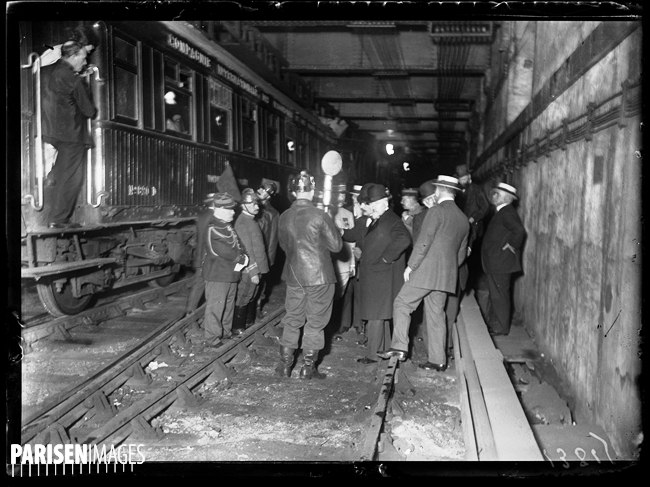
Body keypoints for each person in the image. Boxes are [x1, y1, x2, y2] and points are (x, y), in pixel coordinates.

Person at [379, 176, 470, 372]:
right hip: (446, 276)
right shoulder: (463, 219)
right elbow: (461, 254)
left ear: (439, 191)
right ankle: (438, 360)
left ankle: (399, 347)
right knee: (436, 315)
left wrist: (411, 266)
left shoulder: (436, 211)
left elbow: (423, 241)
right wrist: (447, 268)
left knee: (402, 303)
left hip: (426, 271)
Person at [275, 170, 343, 380]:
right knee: (315, 322)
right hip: (320, 278)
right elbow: (337, 246)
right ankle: (307, 368)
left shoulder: (284, 216)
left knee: (293, 319)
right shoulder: (319, 215)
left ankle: (285, 366)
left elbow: (283, 246)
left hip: (295, 276)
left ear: (294, 192)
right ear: (312, 190)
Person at [344, 184, 411, 364]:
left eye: (372, 204)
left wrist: (385, 259)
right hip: (375, 274)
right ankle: (384, 348)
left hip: (381, 275)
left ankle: (372, 355)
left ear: (383, 202)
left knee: (375, 315)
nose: (369, 208)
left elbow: (404, 239)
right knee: (379, 315)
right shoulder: (379, 219)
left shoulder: (391, 220)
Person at [41, 40, 97, 229]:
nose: (85, 61)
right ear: (73, 56)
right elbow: (89, 111)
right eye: (83, 57)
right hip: (72, 134)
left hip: (54, 131)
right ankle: (58, 218)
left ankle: (51, 177)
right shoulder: (73, 78)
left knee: (63, 169)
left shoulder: (53, 70)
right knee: (73, 177)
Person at [201, 193, 249, 346]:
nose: (233, 213)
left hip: (231, 274)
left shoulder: (227, 226)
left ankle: (226, 332)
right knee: (216, 307)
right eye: (230, 210)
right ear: (220, 209)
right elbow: (221, 251)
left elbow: (239, 244)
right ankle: (212, 338)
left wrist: (245, 255)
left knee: (228, 305)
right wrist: (241, 259)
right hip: (218, 274)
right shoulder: (213, 228)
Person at [480, 182, 526, 336]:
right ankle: (497, 324)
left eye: (497, 194)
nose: (493, 196)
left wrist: (512, 245)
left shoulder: (506, 212)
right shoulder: (502, 211)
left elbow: (519, 231)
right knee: (497, 294)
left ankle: (501, 327)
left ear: (506, 198)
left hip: (501, 262)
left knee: (500, 296)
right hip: (497, 262)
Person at [232, 189, 269, 334]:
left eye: (257, 203)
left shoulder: (250, 221)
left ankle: (248, 323)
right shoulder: (242, 223)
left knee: (251, 295)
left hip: (258, 267)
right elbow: (246, 250)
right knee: (244, 296)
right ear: (244, 205)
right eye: (253, 204)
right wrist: (253, 271)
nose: (257, 207)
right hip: (249, 269)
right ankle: (238, 328)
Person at [184, 193, 219, 317]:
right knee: (206, 285)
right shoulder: (214, 217)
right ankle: (194, 313)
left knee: (198, 283)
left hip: (200, 256)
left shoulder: (203, 215)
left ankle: (190, 311)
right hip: (208, 257)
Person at [329, 184, 356, 340]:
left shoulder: (348, 214)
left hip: (345, 263)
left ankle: (336, 326)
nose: (341, 197)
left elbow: (352, 241)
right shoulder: (327, 213)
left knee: (340, 295)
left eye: (343, 195)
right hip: (331, 262)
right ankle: (329, 326)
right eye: (338, 194)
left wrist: (352, 263)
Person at [255, 181, 280, 316]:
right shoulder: (250, 206)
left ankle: (257, 308)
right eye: (260, 187)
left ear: (269, 196)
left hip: (262, 254)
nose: (260, 190)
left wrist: (269, 260)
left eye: (264, 190)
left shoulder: (273, 214)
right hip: (249, 252)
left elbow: (273, 239)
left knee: (260, 284)